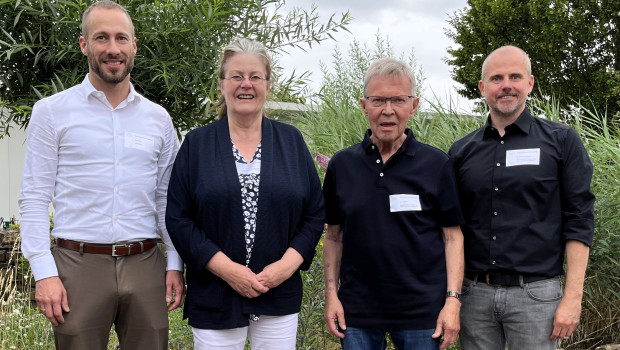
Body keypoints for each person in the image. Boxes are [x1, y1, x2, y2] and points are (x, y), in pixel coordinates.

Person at [18, 1, 185, 349]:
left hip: (145, 265)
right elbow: (34, 197)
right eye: (102, 38)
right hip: (77, 266)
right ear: (84, 45)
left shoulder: (158, 119)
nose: (113, 49)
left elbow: (166, 199)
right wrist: (44, 272)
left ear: (134, 46)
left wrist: (174, 263)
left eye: (121, 38)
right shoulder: (51, 112)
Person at [165, 37, 325, 350]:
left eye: (255, 77)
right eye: (236, 76)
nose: (246, 84)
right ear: (222, 84)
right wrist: (229, 271)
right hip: (215, 294)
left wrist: (286, 267)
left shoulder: (291, 141)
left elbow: (315, 212)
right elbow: (179, 218)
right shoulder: (197, 145)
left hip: (278, 293)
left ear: (268, 84)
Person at [448, 45, 595, 349]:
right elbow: (452, 230)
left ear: (529, 83)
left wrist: (572, 298)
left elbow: (579, 220)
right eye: (496, 78)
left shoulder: (562, 141)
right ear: (482, 87)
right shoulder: (461, 152)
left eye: (515, 76)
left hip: (537, 297)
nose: (506, 85)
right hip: (474, 296)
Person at [322, 57, 465, 350]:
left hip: (422, 314)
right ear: (364, 105)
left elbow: (453, 236)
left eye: (398, 100)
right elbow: (334, 236)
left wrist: (452, 301)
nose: (388, 110)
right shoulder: (342, 165)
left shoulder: (436, 164)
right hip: (357, 313)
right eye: (378, 100)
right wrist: (331, 295)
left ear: (413, 106)